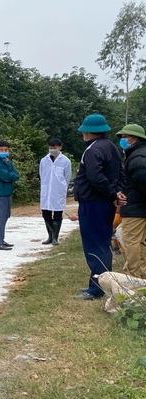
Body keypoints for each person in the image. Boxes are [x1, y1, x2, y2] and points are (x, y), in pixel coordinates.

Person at [72, 114, 126, 300]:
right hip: (104, 203)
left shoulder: (92, 150)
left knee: (94, 245)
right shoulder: (112, 147)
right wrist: (116, 193)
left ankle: (96, 288)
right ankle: (102, 282)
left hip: (93, 203)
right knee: (103, 242)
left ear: (87, 132)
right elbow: (119, 174)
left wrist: (111, 193)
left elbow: (96, 178)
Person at [117, 124, 146, 278]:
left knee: (132, 243)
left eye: (125, 137)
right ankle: (141, 275)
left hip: (136, 209)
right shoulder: (137, 155)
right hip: (138, 208)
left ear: (135, 138)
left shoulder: (138, 159)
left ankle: (133, 276)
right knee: (140, 243)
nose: (123, 140)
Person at [39, 138, 72, 245]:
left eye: (55, 148)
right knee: (46, 213)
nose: (52, 150)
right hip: (46, 190)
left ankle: (55, 238)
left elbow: (67, 177)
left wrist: (63, 188)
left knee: (57, 214)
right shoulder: (44, 160)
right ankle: (50, 236)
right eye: (51, 148)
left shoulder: (65, 161)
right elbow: (41, 174)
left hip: (58, 191)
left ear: (60, 147)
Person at [0, 140, 20, 250]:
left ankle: (1, 239)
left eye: (6, 150)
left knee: (5, 217)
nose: (4, 152)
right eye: (1, 150)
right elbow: (6, 176)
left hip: (7, 193)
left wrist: (10, 177)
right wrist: (10, 177)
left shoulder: (7, 161)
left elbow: (16, 175)